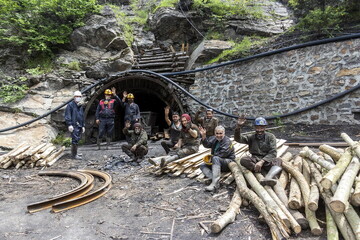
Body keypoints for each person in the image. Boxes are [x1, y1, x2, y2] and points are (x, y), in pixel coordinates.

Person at [234, 116, 282, 186]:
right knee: (243, 160)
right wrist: (238, 127)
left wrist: (262, 161)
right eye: (257, 127)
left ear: (265, 127)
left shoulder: (270, 137)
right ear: (255, 128)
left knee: (278, 161)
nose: (259, 130)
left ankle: (268, 177)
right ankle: (258, 170)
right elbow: (238, 139)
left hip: (267, 161)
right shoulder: (251, 137)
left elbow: (273, 152)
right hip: (255, 160)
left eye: (261, 127)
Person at [199, 125, 235, 192]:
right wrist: (204, 136)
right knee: (202, 165)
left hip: (228, 162)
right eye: (217, 133)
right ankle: (213, 178)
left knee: (216, 158)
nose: (219, 135)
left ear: (224, 133)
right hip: (217, 162)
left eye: (220, 133)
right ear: (215, 133)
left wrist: (211, 157)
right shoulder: (214, 139)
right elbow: (207, 145)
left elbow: (223, 154)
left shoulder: (227, 141)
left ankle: (215, 184)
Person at [65, 91, 85, 160]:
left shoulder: (80, 106)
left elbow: (82, 116)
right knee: (75, 139)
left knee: (77, 139)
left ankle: (75, 153)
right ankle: (74, 155)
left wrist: (83, 125)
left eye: (79, 96)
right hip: (74, 125)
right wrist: (69, 124)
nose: (78, 98)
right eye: (77, 96)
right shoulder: (70, 105)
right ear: (74, 97)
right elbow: (68, 115)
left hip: (79, 125)